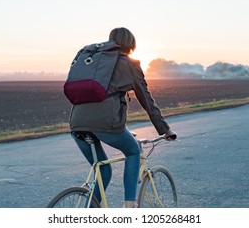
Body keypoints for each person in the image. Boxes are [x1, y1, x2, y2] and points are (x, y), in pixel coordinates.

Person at [69, 27, 177, 208]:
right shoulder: (130, 64)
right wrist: (165, 129)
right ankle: (129, 204)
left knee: (103, 170)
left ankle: (87, 211)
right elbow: (147, 101)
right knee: (133, 151)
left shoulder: (94, 62)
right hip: (106, 123)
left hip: (77, 123)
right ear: (131, 44)